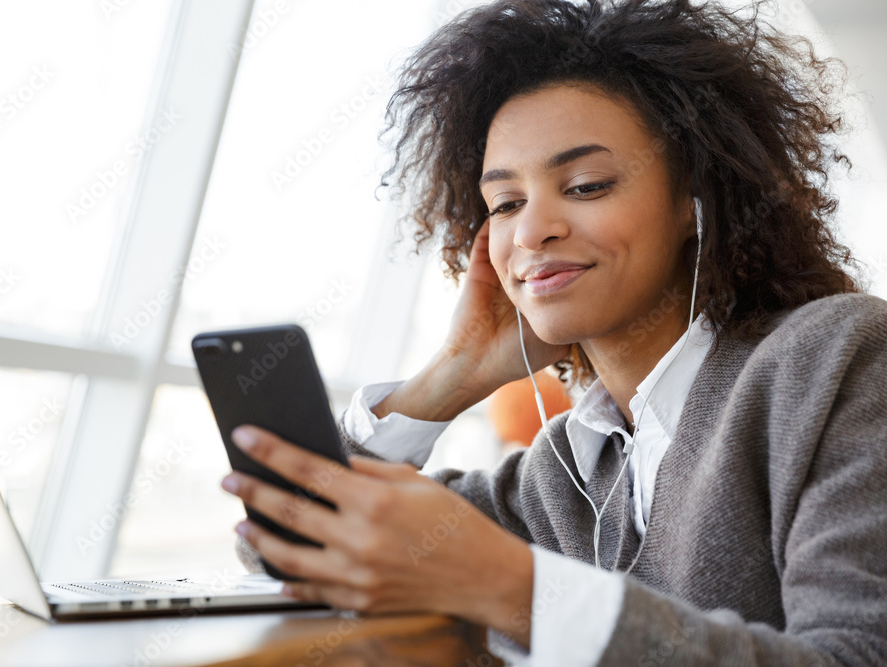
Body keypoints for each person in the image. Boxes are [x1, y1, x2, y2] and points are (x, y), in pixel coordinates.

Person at [220, 0, 887, 663]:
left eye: (587, 185)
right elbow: (289, 540)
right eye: (505, 202)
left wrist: (512, 586)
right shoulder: (568, 465)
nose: (533, 228)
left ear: (696, 199)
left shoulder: (836, 359)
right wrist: (453, 373)